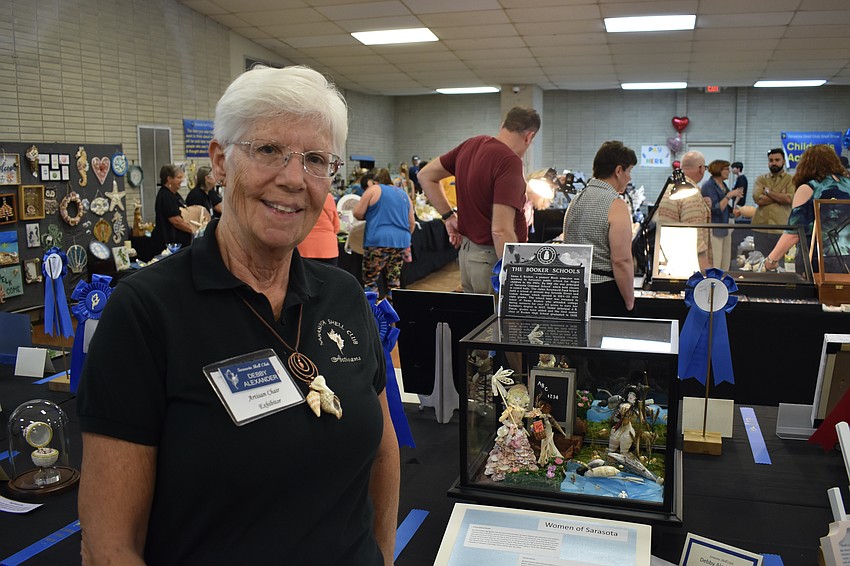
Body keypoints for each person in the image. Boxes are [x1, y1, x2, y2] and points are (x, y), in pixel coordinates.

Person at [77, 65, 399, 566]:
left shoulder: (343, 294)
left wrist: (382, 554)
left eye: (315, 159)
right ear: (221, 162)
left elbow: (381, 448)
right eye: (268, 150)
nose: (293, 179)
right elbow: (109, 544)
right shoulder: (146, 312)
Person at [418, 105, 541, 294]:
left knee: (479, 320)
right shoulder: (509, 161)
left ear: (503, 125)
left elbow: (425, 175)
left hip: (468, 255)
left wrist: (448, 217)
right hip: (490, 259)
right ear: (529, 136)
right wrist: (515, 276)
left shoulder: (471, 144)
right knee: (495, 321)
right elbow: (500, 230)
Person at [562, 140, 637, 316]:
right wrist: (630, 301)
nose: (630, 178)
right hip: (604, 292)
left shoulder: (576, 200)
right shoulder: (616, 204)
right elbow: (621, 260)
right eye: (629, 171)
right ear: (618, 171)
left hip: (573, 289)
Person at [765, 144, 850, 273]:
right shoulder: (847, 184)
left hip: (818, 261)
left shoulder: (809, 188)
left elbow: (794, 233)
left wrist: (771, 261)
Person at [353, 171, 415, 297]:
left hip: (377, 241)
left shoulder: (374, 189)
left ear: (374, 181)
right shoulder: (403, 194)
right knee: (394, 281)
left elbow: (357, 213)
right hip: (401, 243)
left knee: (370, 280)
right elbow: (411, 223)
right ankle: (392, 312)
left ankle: (373, 313)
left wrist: (371, 216)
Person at [656, 150, 713, 270]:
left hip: (667, 260)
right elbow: (695, 238)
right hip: (687, 265)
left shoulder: (671, 188)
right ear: (701, 169)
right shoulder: (690, 193)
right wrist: (706, 272)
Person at [701, 160, 743, 271]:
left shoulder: (723, 185)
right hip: (715, 228)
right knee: (716, 261)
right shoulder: (708, 186)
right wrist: (729, 195)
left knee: (725, 261)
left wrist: (734, 211)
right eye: (726, 169)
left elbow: (726, 206)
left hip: (726, 227)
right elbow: (716, 208)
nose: (729, 172)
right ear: (719, 170)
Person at [752, 148, 795, 255]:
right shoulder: (761, 179)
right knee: (759, 264)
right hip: (761, 229)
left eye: (777, 160)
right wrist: (780, 195)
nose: (774, 163)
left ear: (784, 161)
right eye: (771, 160)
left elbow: (789, 199)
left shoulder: (791, 180)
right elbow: (758, 199)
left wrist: (767, 192)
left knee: (781, 265)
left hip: (782, 230)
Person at [149, 164, 194, 252]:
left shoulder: (175, 195)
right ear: (169, 179)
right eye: (179, 177)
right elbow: (175, 221)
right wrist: (193, 230)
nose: (182, 180)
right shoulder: (165, 195)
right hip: (169, 244)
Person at [297, 192, 340, 265]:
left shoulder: (299, 196)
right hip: (328, 248)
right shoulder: (328, 197)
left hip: (303, 247)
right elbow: (336, 226)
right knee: (329, 275)